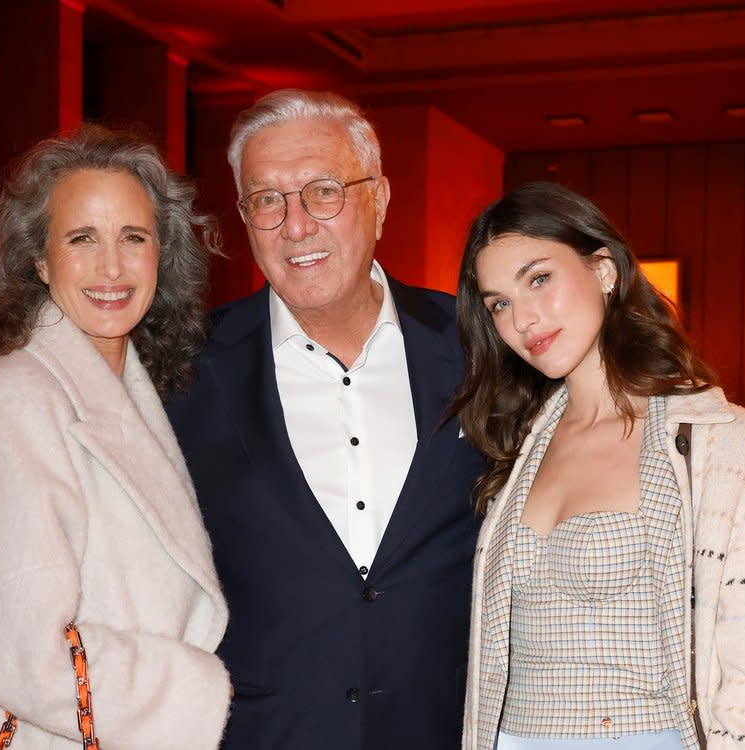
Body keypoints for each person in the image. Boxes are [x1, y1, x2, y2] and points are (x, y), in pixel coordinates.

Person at [166, 89, 484, 749]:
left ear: (381, 200)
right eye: (267, 200)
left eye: (323, 191)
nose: (296, 225)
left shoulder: (478, 349)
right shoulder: (183, 373)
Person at [452, 182, 745, 750]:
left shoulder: (730, 449)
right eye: (499, 303)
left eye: (539, 279)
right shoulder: (518, 447)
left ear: (604, 270)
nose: (524, 319)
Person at [0, 126, 231, 750]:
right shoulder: (13, 397)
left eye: (133, 238)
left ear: (161, 256)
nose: (112, 267)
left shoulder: (132, 392)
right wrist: (196, 692)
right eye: (82, 239)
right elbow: (20, 644)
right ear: (39, 259)